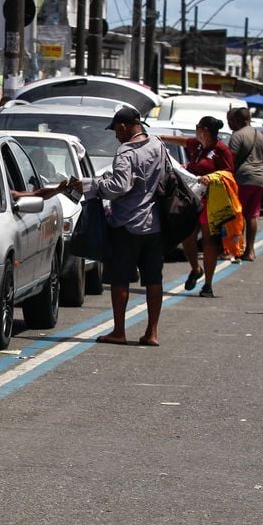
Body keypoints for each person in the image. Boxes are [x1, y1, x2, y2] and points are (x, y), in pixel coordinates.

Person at [66, 106, 166, 346]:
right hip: (154, 223)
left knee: (120, 279)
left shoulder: (125, 152)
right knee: (154, 279)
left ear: (123, 127)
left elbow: (118, 187)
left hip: (127, 224)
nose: (116, 136)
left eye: (116, 131)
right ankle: (152, 332)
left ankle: (119, 331)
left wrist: (94, 185)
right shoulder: (158, 145)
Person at [158, 116, 233, 297]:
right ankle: (195, 269)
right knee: (187, 238)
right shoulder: (198, 145)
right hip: (192, 199)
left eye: (198, 127)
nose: (196, 130)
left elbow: (230, 173)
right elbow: (184, 141)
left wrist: (212, 177)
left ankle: (208, 284)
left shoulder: (221, 150)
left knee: (209, 241)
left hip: (210, 200)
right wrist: (160, 137)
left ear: (205, 130)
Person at [227, 106, 263, 261]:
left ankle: (235, 249)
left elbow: (231, 160)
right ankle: (250, 251)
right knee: (252, 216)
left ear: (239, 120)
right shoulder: (261, 135)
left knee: (237, 215)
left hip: (243, 178)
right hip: (259, 179)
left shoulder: (237, 135)